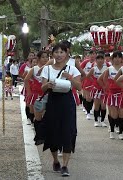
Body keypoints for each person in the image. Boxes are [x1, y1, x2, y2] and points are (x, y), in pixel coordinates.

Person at [40, 43, 82, 177]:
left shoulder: (72, 69)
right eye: (56, 52)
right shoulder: (46, 69)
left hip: (67, 102)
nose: (59, 55)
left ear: (66, 54)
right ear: (52, 54)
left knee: (67, 132)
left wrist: (69, 77)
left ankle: (65, 165)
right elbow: (42, 88)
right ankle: (55, 160)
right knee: (53, 131)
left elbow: (79, 87)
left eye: (61, 52)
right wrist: (48, 84)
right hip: (53, 102)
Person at [98, 51, 123, 139]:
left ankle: (121, 132)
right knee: (113, 114)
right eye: (115, 57)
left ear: (121, 59)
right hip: (112, 94)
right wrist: (106, 88)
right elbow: (100, 79)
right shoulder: (109, 69)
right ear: (112, 59)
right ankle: (112, 130)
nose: (117, 59)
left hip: (122, 94)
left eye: (119, 57)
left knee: (121, 114)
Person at [24, 51, 49, 145]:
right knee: (38, 117)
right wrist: (29, 92)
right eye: (43, 57)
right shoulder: (34, 69)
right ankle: (39, 136)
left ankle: (44, 135)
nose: (45, 59)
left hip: (47, 95)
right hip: (36, 95)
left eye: (47, 57)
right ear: (38, 58)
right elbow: (26, 80)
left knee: (47, 116)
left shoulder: (50, 68)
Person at [86, 53, 108, 127]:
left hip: (104, 89)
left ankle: (102, 120)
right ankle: (96, 120)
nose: (100, 60)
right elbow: (88, 76)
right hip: (96, 89)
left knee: (104, 106)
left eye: (102, 59)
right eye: (99, 59)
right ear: (96, 60)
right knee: (96, 105)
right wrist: (93, 81)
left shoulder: (106, 68)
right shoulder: (94, 69)